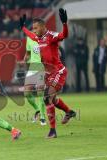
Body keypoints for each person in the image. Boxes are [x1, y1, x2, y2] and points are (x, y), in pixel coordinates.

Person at [20, 8, 76, 138]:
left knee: (46, 97)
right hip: (48, 73)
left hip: (58, 72)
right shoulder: (38, 38)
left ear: (43, 27)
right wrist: (23, 27)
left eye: (36, 28)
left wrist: (65, 23)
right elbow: (31, 35)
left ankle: (52, 131)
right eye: (33, 28)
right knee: (53, 99)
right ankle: (69, 112)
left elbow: (64, 35)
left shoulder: (51, 36)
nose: (34, 31)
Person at [23, 36, 47, 125]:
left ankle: (42, 116)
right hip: (33, 67)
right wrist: (25, 60)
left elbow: (57, 52)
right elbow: (28, 54)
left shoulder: (46, 37)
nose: (35, 29)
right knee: (27, 93)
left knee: (40, 90)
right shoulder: (29, 38)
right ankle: (38, 110)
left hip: (42, 66)